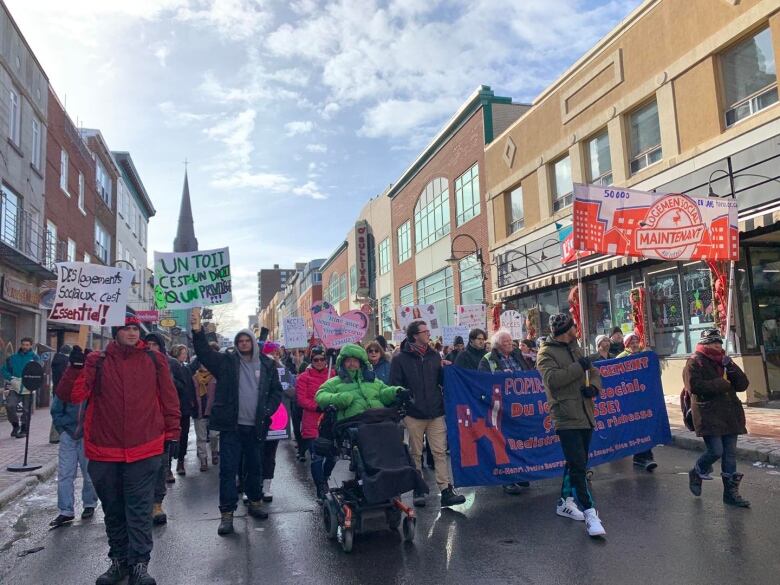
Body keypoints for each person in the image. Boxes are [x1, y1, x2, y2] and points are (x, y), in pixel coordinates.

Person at [56, 316, 180, 585]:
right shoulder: (96, 361)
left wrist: (172, 432)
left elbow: (168, 395)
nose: (133, 333)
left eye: (136, 328)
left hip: (144, 447)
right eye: (127, 329)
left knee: (138, 509)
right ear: (116, 332)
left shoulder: (153, 359)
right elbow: (72, 395)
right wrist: (74, 368)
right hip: (104, 450)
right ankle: (119, 561)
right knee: (113, 509)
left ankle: (139, 564)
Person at [192, 313, 283, 536]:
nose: (243, 344)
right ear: (236, 344)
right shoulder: (226, 362)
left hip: (255, 426)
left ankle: (254, 501)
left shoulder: (267, 364)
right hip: (232, 427)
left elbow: (275, 392)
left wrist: (268, 411)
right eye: (240, 341)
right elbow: (204, 353)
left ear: (253, 342)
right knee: (228, 470)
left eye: (246, 340)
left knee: (255, 467)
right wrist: (197, 331)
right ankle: (227, 514)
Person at [536, 313, 605, 537]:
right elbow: (553, 381)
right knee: (578, 467)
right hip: (565, 416)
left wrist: (594, 387)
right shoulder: (546, 353)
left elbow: (593, 371)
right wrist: (578, 367)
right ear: (567, 330)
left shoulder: (575, 347)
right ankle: (591, 514)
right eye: (574, 326)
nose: (577, 329)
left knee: (578, 461)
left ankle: (565, 501)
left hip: (585, 413)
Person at [389, 320, 466, 508]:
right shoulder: (400, 359)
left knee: (439, 452)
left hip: (435, 411)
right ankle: (419, 488)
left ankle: (446, 490)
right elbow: (394, 385)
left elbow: (439, 381)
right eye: (425, 331)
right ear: (415, 335)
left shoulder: (434, 356)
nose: (429, 334)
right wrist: (406, 404)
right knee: (415, 453)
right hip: (413, 413)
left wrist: (446, 369)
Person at [685, 328, 750, 507]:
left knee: (730, 455)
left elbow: (742, 385)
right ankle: (697, 471)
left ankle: (730, 494)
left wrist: (731, 367)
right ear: (705, 344)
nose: (717, 346)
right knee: (716, 451)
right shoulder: (694, 362)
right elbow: (694, 386)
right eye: (713, 343)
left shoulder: (725, 361)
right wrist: (719, 384)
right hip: (708, 414)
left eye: (719, 342)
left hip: (730, 414)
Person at [478, 329, 533, 495]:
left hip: (519, 406)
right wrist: (502, 376)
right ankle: (507, 479)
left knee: (520, 441)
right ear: (497, 345)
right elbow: (482, 381)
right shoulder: (487, 359)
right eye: (505, 342)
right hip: (500, 407)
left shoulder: (518, 356)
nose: (510, 344)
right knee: (504, 444)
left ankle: (521, 473)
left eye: (510, 341)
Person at [143, 333, 184, 527]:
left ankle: (157, 504)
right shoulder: (137, 363)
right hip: (141, 424)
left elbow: (180, 393)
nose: (151, 347)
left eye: (154, 344)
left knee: (160, 466)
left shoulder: (171, 364)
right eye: (148, 344)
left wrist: (174, 428)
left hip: (161, 425)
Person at [315, 343, 405, 419]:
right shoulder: (335, 381)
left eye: (355, 361)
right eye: (348, 361)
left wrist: (396, 391)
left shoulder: (372, 380)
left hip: (378, 421)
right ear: (342, 363)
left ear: (361, 364)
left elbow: (383, 393)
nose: (352, 364)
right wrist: (340, 398)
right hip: (351, 425)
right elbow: (321, 395)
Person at [49, 389, 98, 528]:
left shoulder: (93, 384)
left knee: (89, 474)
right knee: (65, 474)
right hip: (68, 435)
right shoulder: (68, 383)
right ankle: (66, 511)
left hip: (87, 436)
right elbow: (56, 409)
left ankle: (89, 504)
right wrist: (62, 430)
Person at [296, 346, 336, 500]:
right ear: (311, 361)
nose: (319, 362)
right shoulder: (303, 378)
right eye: (316, 360)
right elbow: (301, 399)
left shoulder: (332, 374)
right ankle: (320, 486)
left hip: (330, 422)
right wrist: (318, 406)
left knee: (332, 456)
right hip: (312, 422)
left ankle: (325, 478)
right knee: (317, 457)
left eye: (322, 359)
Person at [259, 341, 295, 502]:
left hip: (276, 418)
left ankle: (266, 487)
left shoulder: (283, 370)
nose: (275, 355)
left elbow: (293, 391)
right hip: (257, 417)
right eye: (272, 352)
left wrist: (288, 388)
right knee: (253, 454)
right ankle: (251, 486)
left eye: (277, 352)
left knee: (269, 454)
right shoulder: (256, 369)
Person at [616, 333, 657, 472]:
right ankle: (641, 456)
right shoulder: (621, 357)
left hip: (643, 398)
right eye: (631, 343)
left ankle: (647, 455)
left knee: (646, 427)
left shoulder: (643, 356)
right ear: (626, 345)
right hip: (630, 400)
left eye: (636, 342)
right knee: (637, 429)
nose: (634, 345)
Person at [2, 337, 41, 438]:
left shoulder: (35, 358)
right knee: (10, 405)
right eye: (23, 345)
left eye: (27, 345)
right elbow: (4, 370)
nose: (25, 347)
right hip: (15, 385)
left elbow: (39, 371)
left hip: (28, 386)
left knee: (26, 410)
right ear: (21, 345)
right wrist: (11, 378)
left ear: (31, 345)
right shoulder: (13, 358)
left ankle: (24, 428)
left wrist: (34, 382)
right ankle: (15, 425)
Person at [170, 344, 197, 477]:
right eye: (183, 353)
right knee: (170, 437)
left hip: (184, 408)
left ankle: (181, 461)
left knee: (184, 435)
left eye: (186, 353)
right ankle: (167, 467)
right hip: (172, 407)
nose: (185, 355)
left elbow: (190, 387)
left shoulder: (186, 369)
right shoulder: (169, 368)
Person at [192, 365, 218, 472]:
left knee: (214, 435)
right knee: (201, 437)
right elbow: (190, 392)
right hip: (199, 410)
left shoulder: (215, 377)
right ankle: (203, 460)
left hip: (213, 411)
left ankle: (214, 452)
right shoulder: (194, 377)